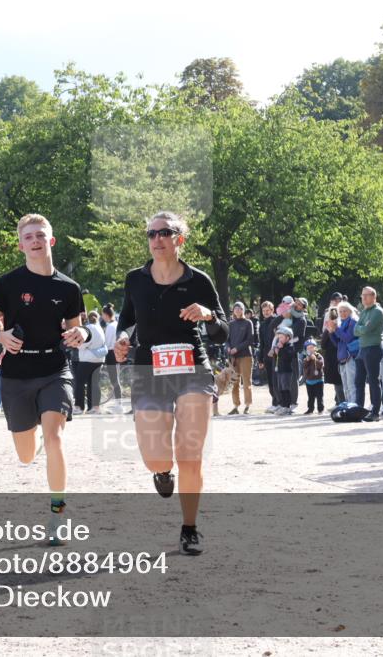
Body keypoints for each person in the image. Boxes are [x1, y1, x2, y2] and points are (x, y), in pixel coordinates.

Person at [113, 211, 229, 556]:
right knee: (155, 457)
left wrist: (207, 315)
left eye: (165, 232)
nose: (157, 239)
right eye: (151, 233)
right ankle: (162, 472)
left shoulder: (199, 281)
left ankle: (190, 528)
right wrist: (121, 339)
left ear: (181, 239)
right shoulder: (135, 279)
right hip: (149, 372)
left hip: (192, 368)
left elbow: (222, 329)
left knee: (190, 455)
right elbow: (127, 321)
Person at [0, 214, 87, 545]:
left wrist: (80, 334)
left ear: (51, 241)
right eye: (28, 237)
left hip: (56, 371)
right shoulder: (8, 283)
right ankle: (37, 436)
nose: (35, 240)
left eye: (40, 235)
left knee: (56, 438)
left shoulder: (68, 288)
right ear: (21, 245)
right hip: (16, 375)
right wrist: (1, 337)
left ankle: (57, 516)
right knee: (26, 456)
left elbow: (78, 326)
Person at [353, 287, 383, 421]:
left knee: (373, 380)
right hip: (363, 348)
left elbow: (366, 329)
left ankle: (375, 411)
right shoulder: (364, 311)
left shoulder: (377, 312)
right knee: (358, 381)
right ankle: (359, 410)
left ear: (374, 296)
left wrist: (361, 328)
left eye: (366, 295)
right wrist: (361, 328)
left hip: (373, 348)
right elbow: (355, 330)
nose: (363, 298)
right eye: (362, 296)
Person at [75, 310, 107, 415]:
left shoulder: (88, 328)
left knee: (79, 383)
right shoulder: (100, 328)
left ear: (88, 318)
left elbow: (82, 344)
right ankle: (94, 407)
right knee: (94, 383)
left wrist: (78, 345)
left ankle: (79, 407)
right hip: (99, 359)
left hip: (87, 359)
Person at [226, 301, 254, 415]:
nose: (237, 310)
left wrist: (237, 348)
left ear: (243, 310)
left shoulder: (248, 323)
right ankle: (236, 406)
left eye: (239, 308)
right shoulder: (230, 324)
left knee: (246, 381)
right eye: (235, 308)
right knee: (234, 382)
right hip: (233, 357)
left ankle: (247, 405)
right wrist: (228, 348)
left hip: (246, 355)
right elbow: (227, 340)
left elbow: (250, 340)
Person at [331, 302, 359, 408]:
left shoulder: (352, 322)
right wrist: (331, 332)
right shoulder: (341, 323)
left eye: (345, 311)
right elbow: (337, 343)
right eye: (340, 311)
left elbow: (348, 338)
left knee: (351, 384)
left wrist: (336, 329)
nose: (342, 313)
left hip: (350, 356)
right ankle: (348, 405)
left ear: (350, 311)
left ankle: (353, 406)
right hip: (342, 356)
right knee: (346, 385)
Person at [258, 301, 283, 413]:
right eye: (264, 311)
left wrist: (276, 349)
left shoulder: (277, 321)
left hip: (277, 354)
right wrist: (260, 359)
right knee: (270, 380)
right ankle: (274, 402)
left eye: (268, 310)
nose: (266, 312)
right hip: (267, 356)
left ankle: (280, 402)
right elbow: (261, 343)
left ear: (272, 310)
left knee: (277, 379)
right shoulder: (262, 325)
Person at [269, 325, 297, 415]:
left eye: (282, 337)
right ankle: (283, 405)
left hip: (286, 371)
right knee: (281, 388)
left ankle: (287, 406)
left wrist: (280, 350)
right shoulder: (281, 346)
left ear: (288, 337)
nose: (280, 339)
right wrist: (276, 349)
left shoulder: (290, 346)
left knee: (285, 389)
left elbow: (286, 356)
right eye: (279, 337)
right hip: (280, 370)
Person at [320, 307, 344, 405]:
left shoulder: (331, 328)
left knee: (338, 383)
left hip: (335, 358)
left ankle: (341, 402)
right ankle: (339, 402)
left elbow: (323, 345)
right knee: (340, 382)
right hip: (337, 357)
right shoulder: (342, 326)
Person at [102, 304, 123, 414]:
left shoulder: (110, 326)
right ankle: (118, 403)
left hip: (110, 353)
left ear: (106, 315)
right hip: (116, 352)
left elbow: (106, 342)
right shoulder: (116, 324)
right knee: (116, 378)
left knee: (114, 379)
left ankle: (119, 405)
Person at [301, 339, 325, 414]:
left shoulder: (319, 356)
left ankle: (320, 409)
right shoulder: (306, 358)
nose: (310, 349)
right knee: (310, 397)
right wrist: (307, 360)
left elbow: (321, 365)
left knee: (319, 396)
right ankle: (310, 409)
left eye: (312, 347)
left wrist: (315, 359)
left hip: (318, 380)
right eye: (308, 348)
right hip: (309, 381)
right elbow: (304, 366)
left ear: (315, 348)